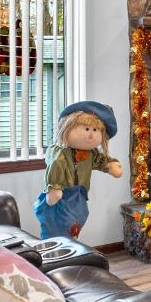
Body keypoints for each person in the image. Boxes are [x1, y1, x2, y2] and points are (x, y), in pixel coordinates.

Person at [34, 101, 123, 240]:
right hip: (61, 195)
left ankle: (72, 244)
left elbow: (100, 160)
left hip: (79, 196)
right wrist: (54, 188)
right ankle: (56, 251)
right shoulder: (59, 151)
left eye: (95, 130)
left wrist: (110, 166)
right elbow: (55, 163)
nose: (91, 135)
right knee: (55, 227)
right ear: (67, 126)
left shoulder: (91, 153)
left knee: (76, 223)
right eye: (87, 129)